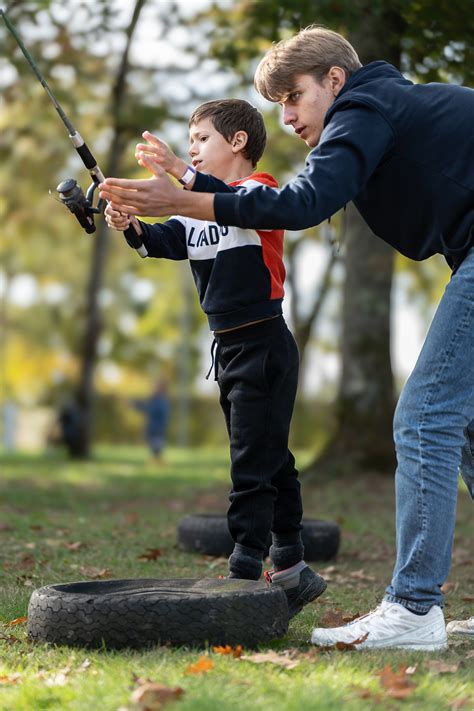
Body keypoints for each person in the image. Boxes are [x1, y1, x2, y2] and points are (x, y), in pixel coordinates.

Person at [99, 26, 474, 650]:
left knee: (424, 419)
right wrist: (177, 199)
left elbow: (300, 203)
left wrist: (185, 199)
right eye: (277, 104)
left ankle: (413, 607)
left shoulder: (365, 106)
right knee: (460, 426)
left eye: (293, 97)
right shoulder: (385, 111)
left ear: (334, 79)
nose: (288, 116)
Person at [104, 98, 327, 618]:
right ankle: (293, 567)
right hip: (226, 347)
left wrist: (178, 176)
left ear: (239, 142)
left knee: (250, 462)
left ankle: (244, 570)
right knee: (269, 455)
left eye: (201, 140)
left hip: (264, 345)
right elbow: (165, 241)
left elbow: (223, 199)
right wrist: (132, 223)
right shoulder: (197, 208)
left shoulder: (258, 193)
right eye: (190, 144)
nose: (192, 150)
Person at [131, 378, 170, 461]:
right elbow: (147, 406)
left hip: (157, 427)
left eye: (156, 386)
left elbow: (150, 409)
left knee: (156, 447)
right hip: (154, 427)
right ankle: (156, 461)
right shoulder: (156, 398)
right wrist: (136, 404)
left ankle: (158, 462)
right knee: (154, 447)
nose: (153, 387)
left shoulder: (161, 400)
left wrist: (136, 405)